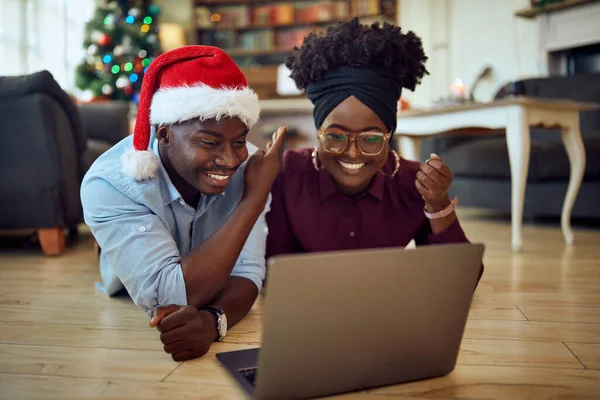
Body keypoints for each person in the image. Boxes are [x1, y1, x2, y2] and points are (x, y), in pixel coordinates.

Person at [81, 45, 287, 361]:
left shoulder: (251, 169)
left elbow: (248, 273)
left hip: (210, 286)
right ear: (163, 134)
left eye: (240, 141)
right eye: (209, 142)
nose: (231, 160)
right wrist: (252, 201)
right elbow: (172, 294)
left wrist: (213, 320)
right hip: (126, 301)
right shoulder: (110, 184)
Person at [265, 19, 483, 282]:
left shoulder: (414, 184)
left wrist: (438, 203)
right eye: (336, 136)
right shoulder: (289, 173)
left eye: (371, 139)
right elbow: (273, 273)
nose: (353, 153)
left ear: (389, 135)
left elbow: (461, 279)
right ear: (318, 132)